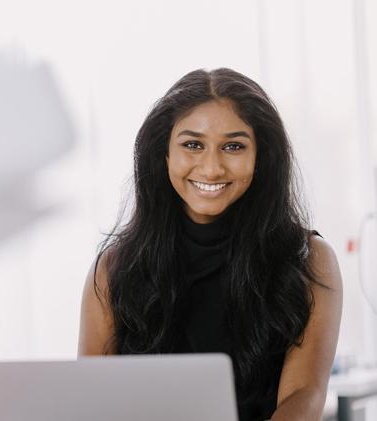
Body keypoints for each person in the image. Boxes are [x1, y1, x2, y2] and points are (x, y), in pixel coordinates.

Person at [78, 68, 342, 421]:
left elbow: (304, 395)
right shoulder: (112, 269)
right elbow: (90, 400)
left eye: (233, 146)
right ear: (164, 155)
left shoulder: (309, 259)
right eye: (192, 145)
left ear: (260, 157)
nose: (212, 167)